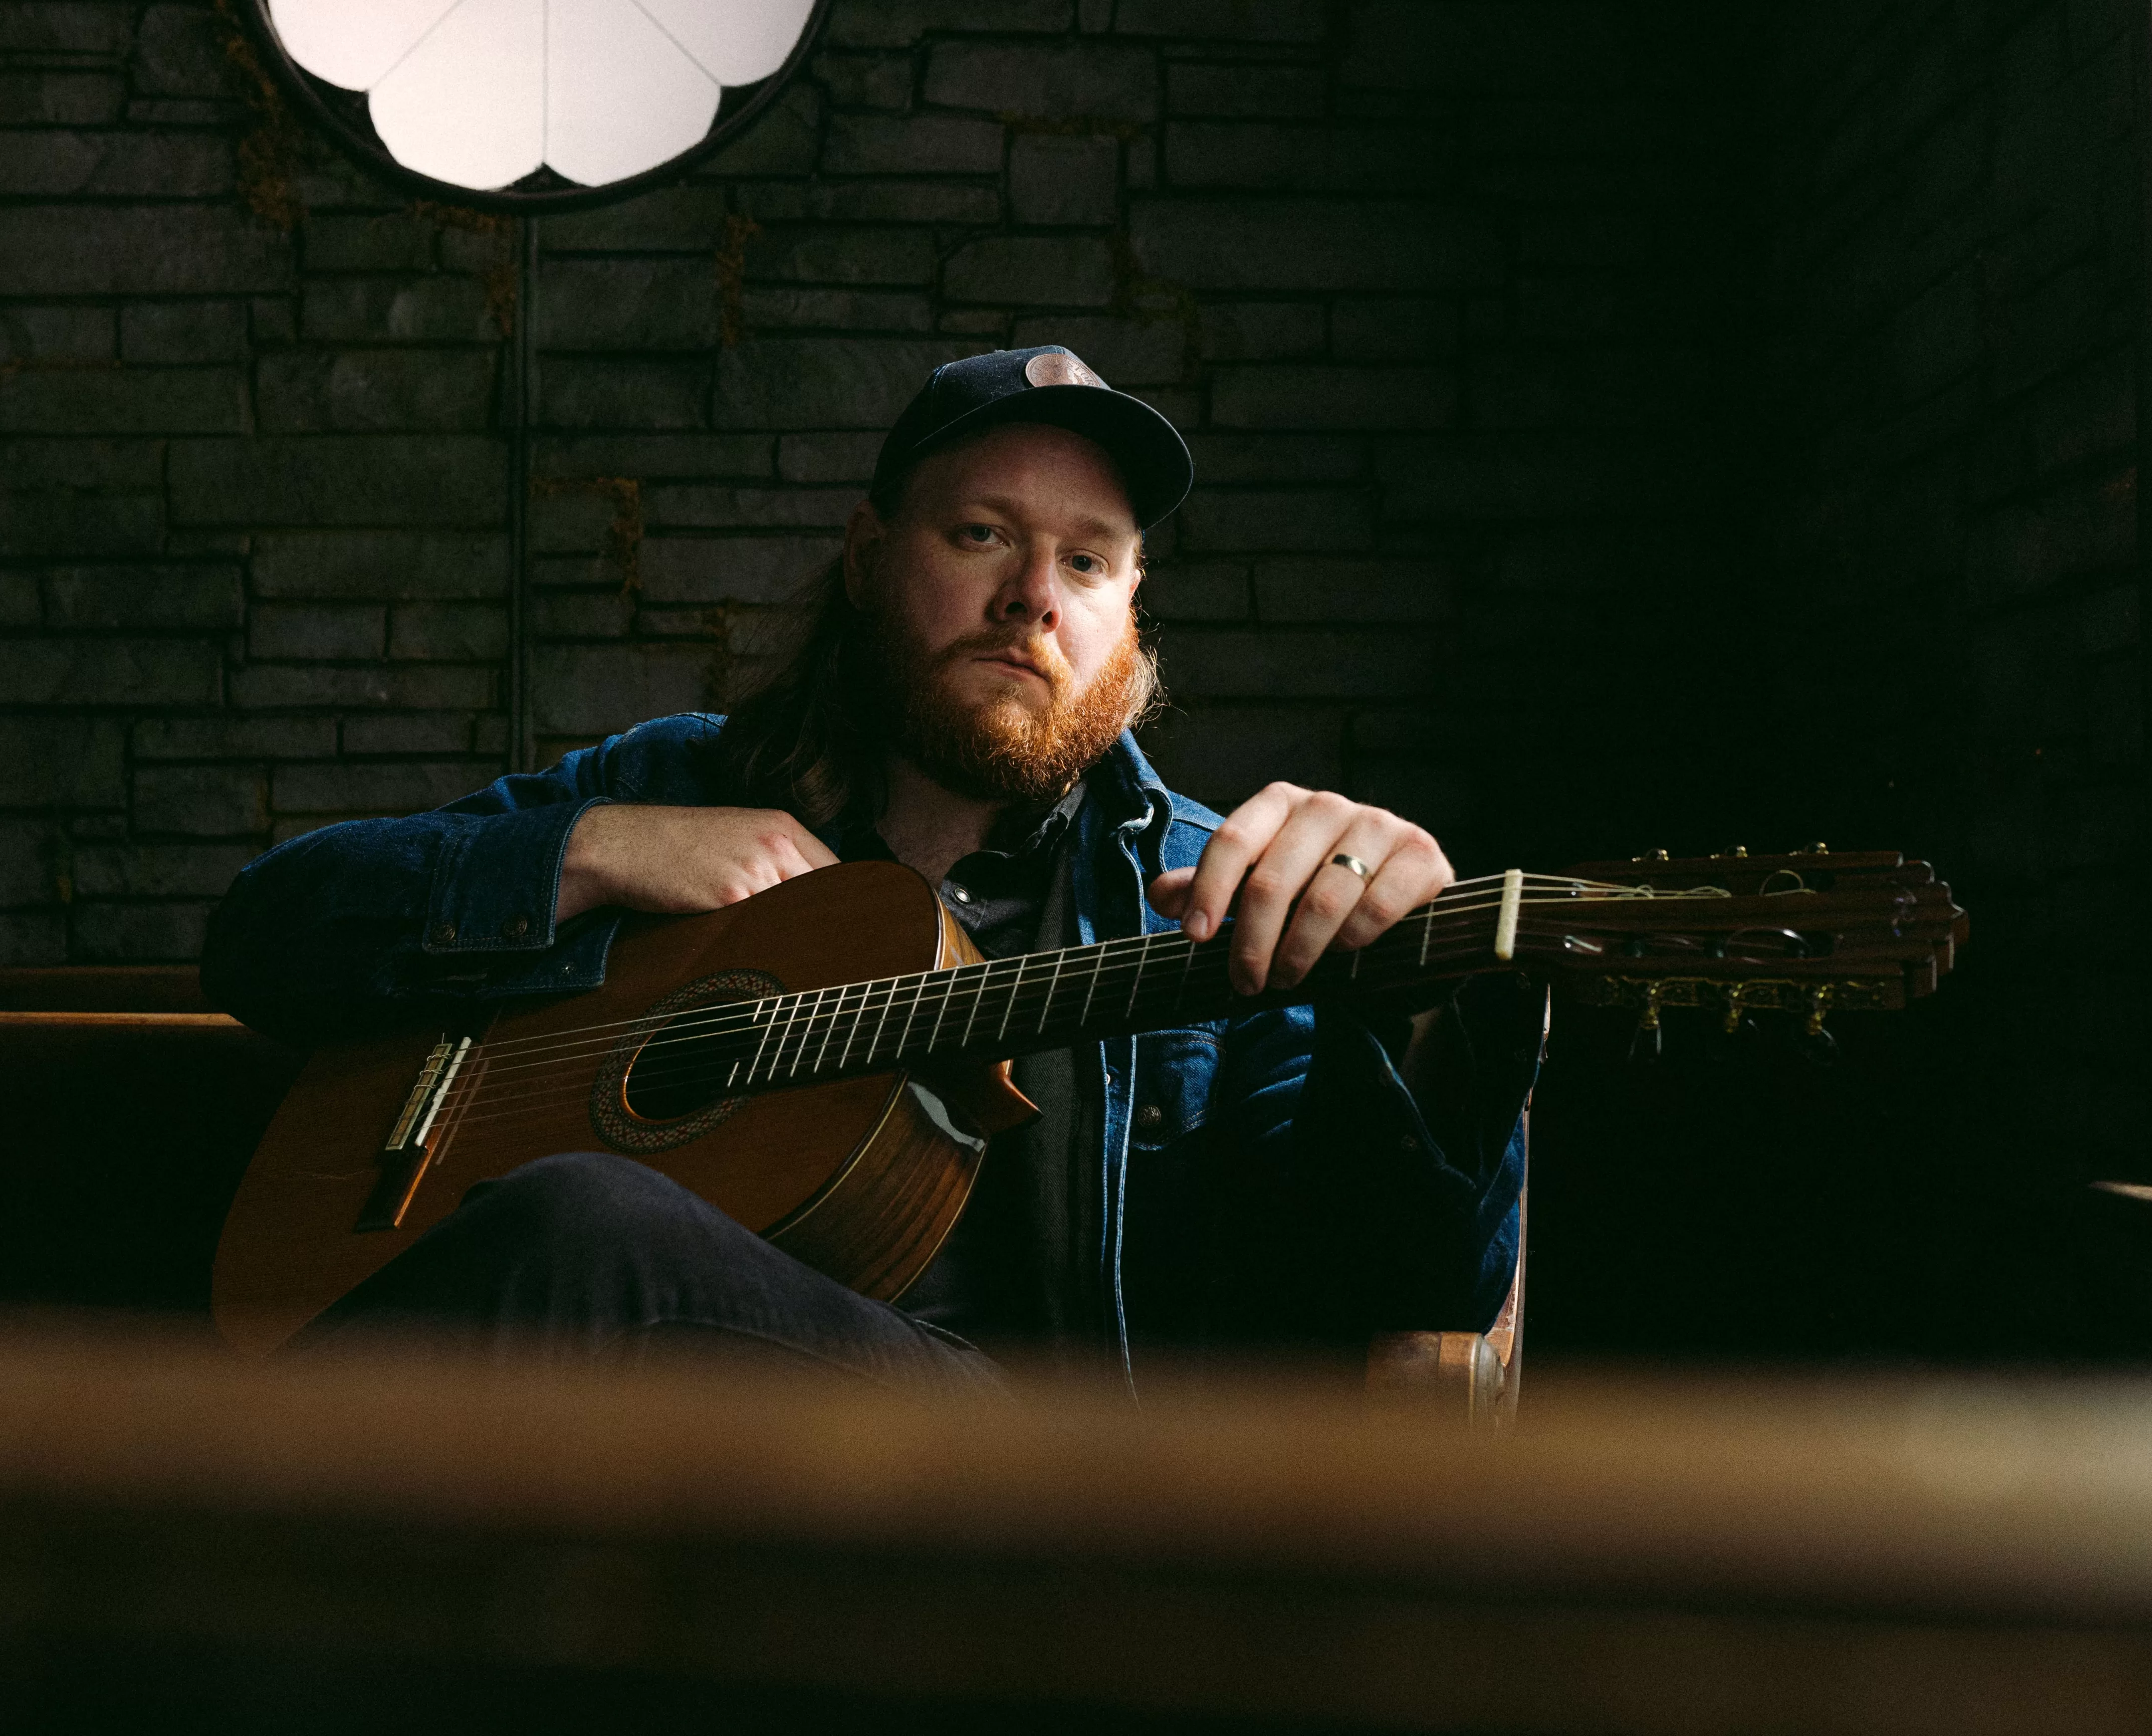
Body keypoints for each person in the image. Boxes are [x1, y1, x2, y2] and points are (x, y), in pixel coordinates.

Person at [202, 345, 1540, 1392]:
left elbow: (1418, 1281)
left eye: (1089, 561)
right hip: (628, 1471)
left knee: (585, 1225)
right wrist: (586, 851)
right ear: (867, 555)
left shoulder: (1215, 896)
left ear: (1130, 616)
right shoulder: (671, 782)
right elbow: (264, 935)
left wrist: (1413, 1002)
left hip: (993, 1488)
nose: (1034, 596)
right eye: (981, 536)